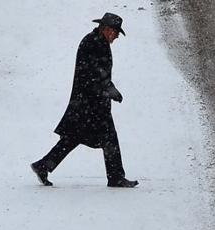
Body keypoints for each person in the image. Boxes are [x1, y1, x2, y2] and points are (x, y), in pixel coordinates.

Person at [31, 13, 138, 188]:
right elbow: (94, 72)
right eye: (116, 32)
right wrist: (109, 88)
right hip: (90, 104)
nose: (117, 36)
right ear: (107, 29)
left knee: (73, 138)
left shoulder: (96, 41)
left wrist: (107, 89)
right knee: (107, 138)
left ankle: (43, 165)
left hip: (89, 103)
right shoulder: (93, 43)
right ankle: (116, 177)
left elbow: (96, 72)